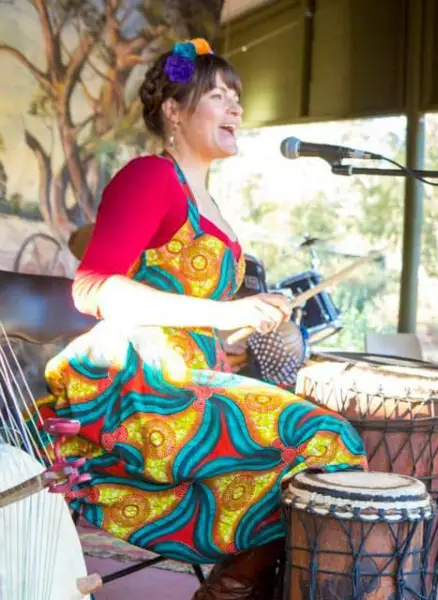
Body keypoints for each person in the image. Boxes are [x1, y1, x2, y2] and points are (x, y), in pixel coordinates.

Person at [35, 39, 367, 600]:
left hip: (185, 371)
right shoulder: (150, 177)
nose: (236, 108)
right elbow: (92, 286)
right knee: (327, 439)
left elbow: (187, 308)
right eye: (218, 95)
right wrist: (225, 309)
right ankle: (233, 586)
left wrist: (242, 326)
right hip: (135, 376)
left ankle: (236, 583)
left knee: (313, 448)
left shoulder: (208, 202)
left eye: (237, 97)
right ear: (173, 110)